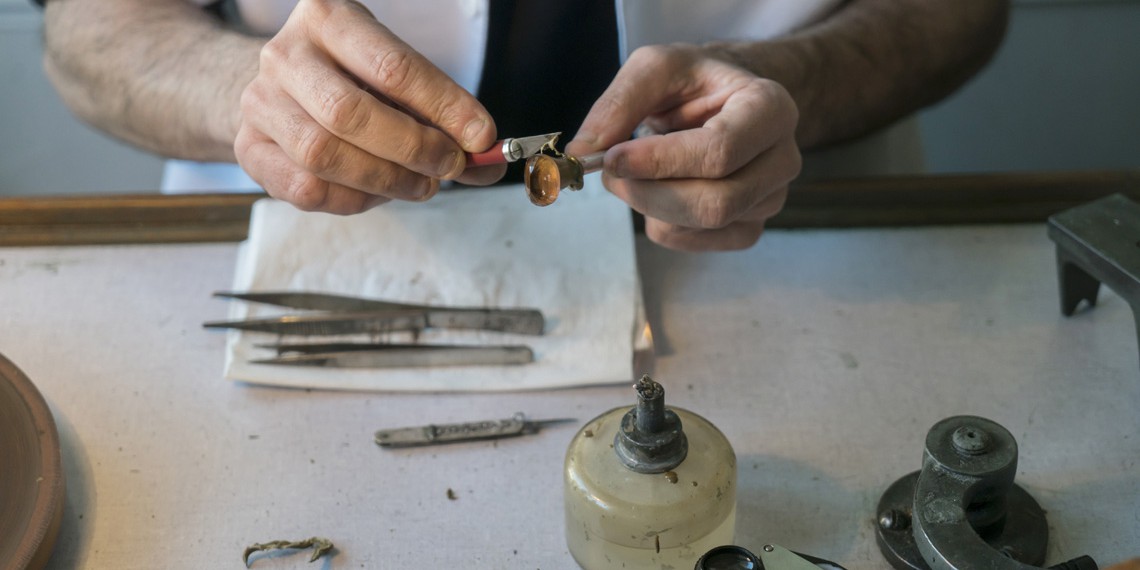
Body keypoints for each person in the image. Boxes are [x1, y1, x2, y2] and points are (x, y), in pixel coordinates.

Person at [40, 0, 1010, 251]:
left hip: (799, 244)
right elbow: (86, 32)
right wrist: (247, 96)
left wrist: (791, 78)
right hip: (305, 259)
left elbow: (963, 12)